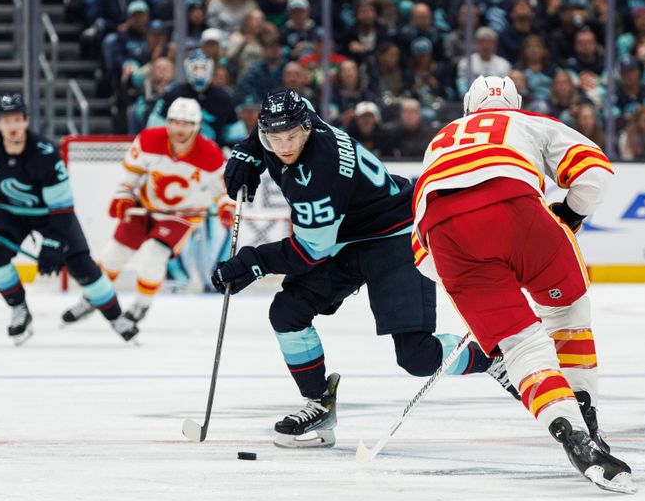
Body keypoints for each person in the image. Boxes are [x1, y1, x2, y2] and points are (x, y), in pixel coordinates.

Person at [213, 89, 517, 449]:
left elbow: (309, 252)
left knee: (417, 356)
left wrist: (253, 262)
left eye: (292, 136)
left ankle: (494, 358)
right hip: (346, 235)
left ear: (307, 129)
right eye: (273, 138)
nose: (283, 146)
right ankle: (319, 403)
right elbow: (282, 120)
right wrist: (248, 150)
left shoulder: (316, 174)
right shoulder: (298, 118)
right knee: (287, 311)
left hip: (394, 235)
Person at [411, 75, 634, 494]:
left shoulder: (439, 140)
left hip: (443, 235)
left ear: (467, 108)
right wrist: (569, 213)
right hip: (516, 206)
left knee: (521, 348)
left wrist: (478, 287)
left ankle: (573, 437)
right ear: (514, 103)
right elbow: (596, 173)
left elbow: (423, 257)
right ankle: (587, 417)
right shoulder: (530, 122)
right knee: (568, 313)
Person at [0, 94, 139, 346]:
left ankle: (117, 317)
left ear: (26, 121)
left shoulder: (44, 153)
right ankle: (19, 308)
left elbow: (62, 209)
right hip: (7, 213)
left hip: (50, 216)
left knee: (83, 267)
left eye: (17, 119)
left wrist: (53, 244)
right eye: (6, 120)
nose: (12, 126)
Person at [61, 98, 234, 325]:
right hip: (144, 208)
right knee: (114, 256)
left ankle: (140, 306)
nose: (180, 129)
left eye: (186, 124)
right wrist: (123, 197)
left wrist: (226, 207)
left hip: (180, 216)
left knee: (154, 254)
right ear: (168, 122)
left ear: (196, 126)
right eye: (175, 122)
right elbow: (130, 178)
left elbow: (223, 190)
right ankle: (91, 299)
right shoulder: (149, 140)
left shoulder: (210, 154)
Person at [147, 50, 247, 148]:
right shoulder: (173, 94)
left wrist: (228, 150)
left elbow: (237, 136)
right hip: (178, 153)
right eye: (195, 68)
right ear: (188, 69)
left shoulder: (224, 97)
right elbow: (153, 130)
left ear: (211, 69)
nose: (200, 74)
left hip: (213, 155)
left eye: (203, 68)